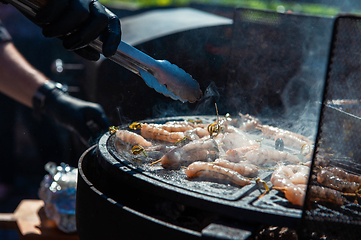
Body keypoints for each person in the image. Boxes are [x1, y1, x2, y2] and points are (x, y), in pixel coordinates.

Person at [0, 0, 122, 199]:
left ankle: (54, 175)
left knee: (37, 119)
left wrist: (52, 100)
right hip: (23, 32)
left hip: (35, 36)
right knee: (4, 116)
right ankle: (7, 180)